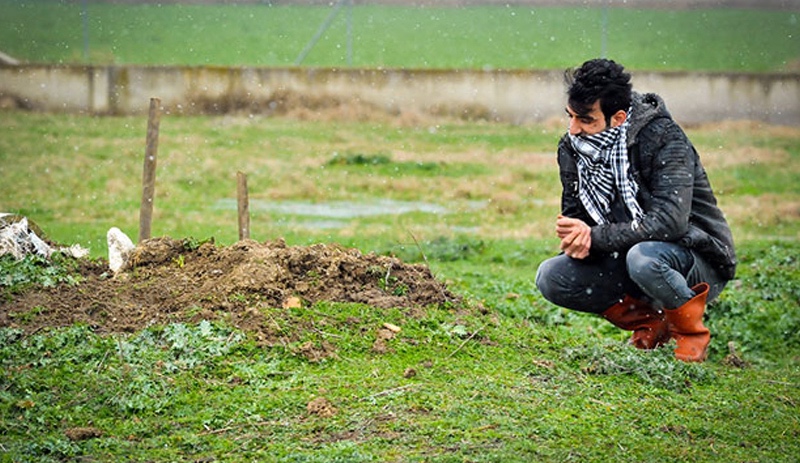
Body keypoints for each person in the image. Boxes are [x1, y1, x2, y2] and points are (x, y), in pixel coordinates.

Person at [535, 59, 737, 362]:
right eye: (570, 116)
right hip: (628, 254)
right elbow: (579, 215)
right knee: (552, 276)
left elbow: (670, 222)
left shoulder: (663, 138)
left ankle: (690, 335)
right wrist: (577, 238)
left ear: (617, 117)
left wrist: (595, 236)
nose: (573, 129)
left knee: (644, 259)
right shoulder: (573, 148)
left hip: (694, 257)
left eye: (586, 120)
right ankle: (652, 325)